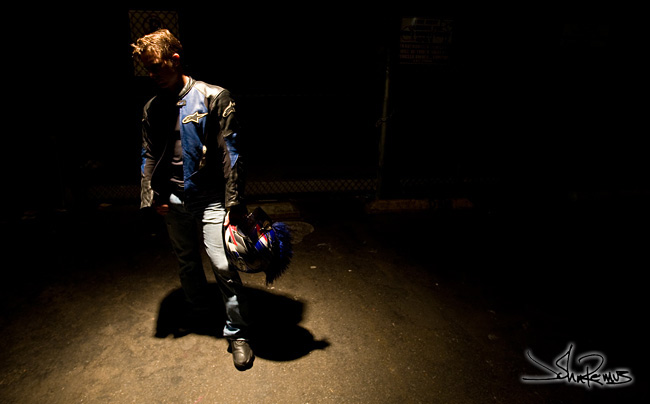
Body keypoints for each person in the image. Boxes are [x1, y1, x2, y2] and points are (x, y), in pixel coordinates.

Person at [132, 29, 253, 370]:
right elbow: (148, 154)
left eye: (156, 66)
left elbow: (231, 153)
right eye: (147, 69)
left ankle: (238, 333)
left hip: (211, 198)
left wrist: (234, 203)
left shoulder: (214, 97)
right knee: (186, 261)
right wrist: (153, 196)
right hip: (172, 199)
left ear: (175, 59)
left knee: (223, 265)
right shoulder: (153, 107)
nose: (152, 74)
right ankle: (200, 311)